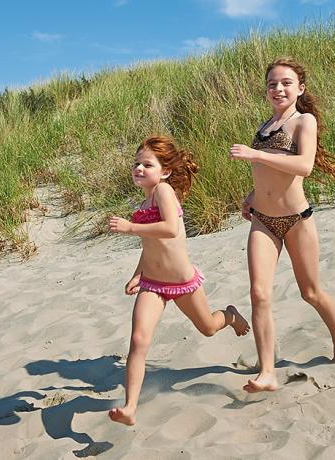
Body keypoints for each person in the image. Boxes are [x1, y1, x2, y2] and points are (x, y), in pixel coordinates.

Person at [107, 135, 250, 426]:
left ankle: (231, 315)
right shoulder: (147, 197)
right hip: (153, 284)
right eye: (136, 164)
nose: (139, 169)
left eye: (147, 164)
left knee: (208, 328)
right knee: (138, 340)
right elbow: (152, 245)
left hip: (182, 282)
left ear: (165, 171)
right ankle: (130, 407)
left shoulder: (163, 191)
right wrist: (138, 273)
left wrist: (130, 227)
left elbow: (171, 229)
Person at [229, 58, 335, 393]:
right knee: (259, 293)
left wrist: (256, 155)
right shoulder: (265, 125)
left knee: (311, 292)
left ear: (300, 88)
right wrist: (251, 195)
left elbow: (304, 165)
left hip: (297, 220)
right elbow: (269, 175)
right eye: (272, 84)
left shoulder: (302, 121)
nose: (278, 89)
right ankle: (268, 372)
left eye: (286, 83)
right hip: (262, 220)